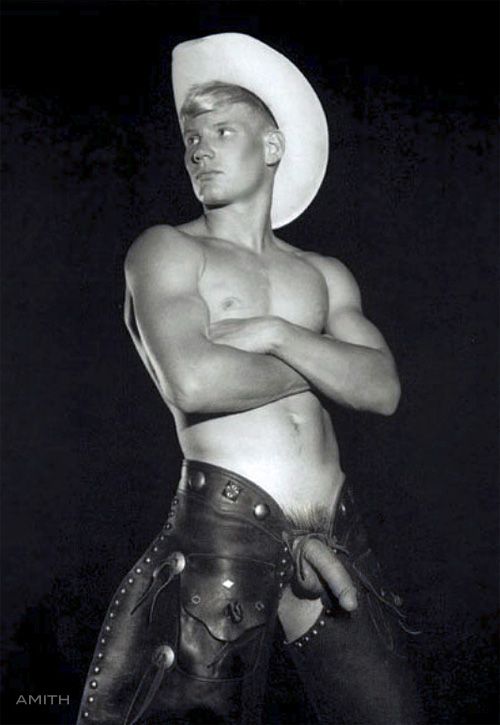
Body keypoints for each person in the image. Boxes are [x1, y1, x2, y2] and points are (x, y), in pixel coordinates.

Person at [78, 33, 422, 725]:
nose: (199, 150)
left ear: (271, 146)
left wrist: (277, 334)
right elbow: (194, 382)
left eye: (222, 132)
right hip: (224, 533)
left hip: (336, 532)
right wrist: (323, 367)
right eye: (191, 138)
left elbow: (383, 389)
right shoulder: (168, 249)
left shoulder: (323, 274)